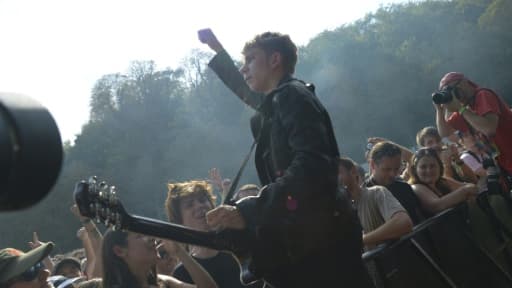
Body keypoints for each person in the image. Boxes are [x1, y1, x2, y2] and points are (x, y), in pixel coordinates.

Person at [198, 28, 374, 287]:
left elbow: (312, 167)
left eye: (250, 60)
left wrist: (250, 208)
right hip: (318, 238)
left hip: (324, 244)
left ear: (275, 60)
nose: (244, 68)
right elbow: (245, 91)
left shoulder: (292, 96)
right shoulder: (280, 99)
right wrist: (218, 50)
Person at [165, 180, 262, 288]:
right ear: (179, 221)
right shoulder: (183, 272)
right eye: (189, 205)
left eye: (202, 200)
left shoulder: (240, 239)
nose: (199, 206)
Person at [434, 72, 512, 182]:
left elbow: (489, 129)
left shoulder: (483, 95)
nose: (452, 94)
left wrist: (461, 109)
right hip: (506, 164)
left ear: (465, 83)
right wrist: (440, 110)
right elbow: (444, 132)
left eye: (452, 89)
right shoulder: (466, 108)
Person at [101, 229, 218, 288]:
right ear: (120, 251)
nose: (152, 239)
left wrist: (180, 252)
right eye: (140, 236)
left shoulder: (164, 282)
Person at [339, 157, 412, 248]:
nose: (332, 180)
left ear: (353, 171)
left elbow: (403, 223)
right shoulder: (338, 212)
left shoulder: (376, 193)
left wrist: (360, 240)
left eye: (336, 173)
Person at [408, 147, 478, 215]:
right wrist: (465, 191)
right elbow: (436, 205)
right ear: (415, 170)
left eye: (432, 166)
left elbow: (472, 187)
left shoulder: (442, 181)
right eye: (423, 167)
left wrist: (468, 191)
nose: (428, 170)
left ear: (440, 167)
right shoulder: (416, 187)